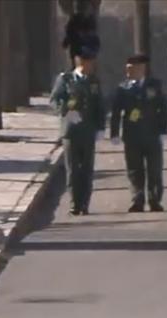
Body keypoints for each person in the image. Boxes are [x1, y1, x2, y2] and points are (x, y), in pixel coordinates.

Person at [109, 54, 167, 213]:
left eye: (132, 68)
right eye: (127, 68)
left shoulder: (155, 85)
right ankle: (137, 199)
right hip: (132, 135)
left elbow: (163, 108)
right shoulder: (123, 88)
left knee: (154, 169)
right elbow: (116, 111)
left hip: (152, 134)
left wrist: (164, 130)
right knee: (134, 170)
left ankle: (154, 199)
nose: (128, 71)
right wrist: (114, 132)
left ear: (141, 68)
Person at [51, 47, 106, 216]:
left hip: (88, 130)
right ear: (80, 62)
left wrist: (101, 127)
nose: (91, 65)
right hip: (71, 131)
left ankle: (85, 204)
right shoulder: (65, 79)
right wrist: (66, 112)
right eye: (88, 62)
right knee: (73, 169)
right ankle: (75, 203)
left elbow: (99, 105)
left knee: (87, 169)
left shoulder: (94, 81)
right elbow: (55, 100)